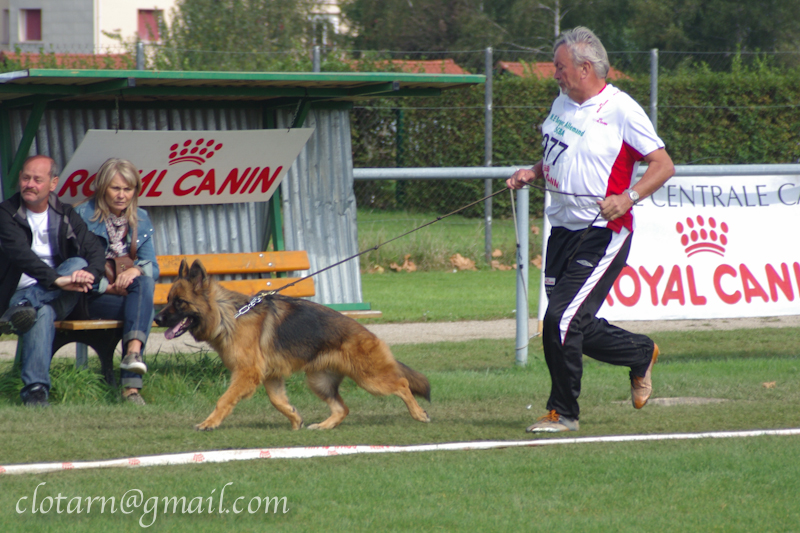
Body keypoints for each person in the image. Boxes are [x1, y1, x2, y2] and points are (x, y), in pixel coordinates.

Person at [507, 27, 675, 433]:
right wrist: (534, 170)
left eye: (560, 67)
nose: (555, 74)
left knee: (560, 320)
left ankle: (562, 413)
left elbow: (663, 164)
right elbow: (557, 151)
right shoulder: (561, 103)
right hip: (562, 229)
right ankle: (640, 351)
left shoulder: (621, 109)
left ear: (585, 68)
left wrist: (629, 197)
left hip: (603, 230)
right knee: (571, 322)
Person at [0, 155, 107, 407]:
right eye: (26, 178)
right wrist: (57, 280)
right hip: (19, 292)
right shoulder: (6, 214)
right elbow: (22, 256)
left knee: (80, 264)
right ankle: (36, 391)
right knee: (42, 313)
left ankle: (26, 305)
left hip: (58, 295)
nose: (30, 184)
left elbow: (95, 251)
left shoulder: (65, 213)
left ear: (53, 183)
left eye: (38, 179)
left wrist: (86, 274)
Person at [74, 158, 159, 405]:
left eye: (127, 189)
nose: (122, 195)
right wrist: (107, 286)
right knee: (143, 308)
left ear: (135, 191)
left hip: (125, 295)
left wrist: (135, 272)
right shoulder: (82, 215)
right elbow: (74, 267)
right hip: (89, 296)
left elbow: (152, 267)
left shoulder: (140, 218)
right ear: (102, 188)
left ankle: (132, 354)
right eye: (115, 188)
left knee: (144, 283)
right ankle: (131, 388)